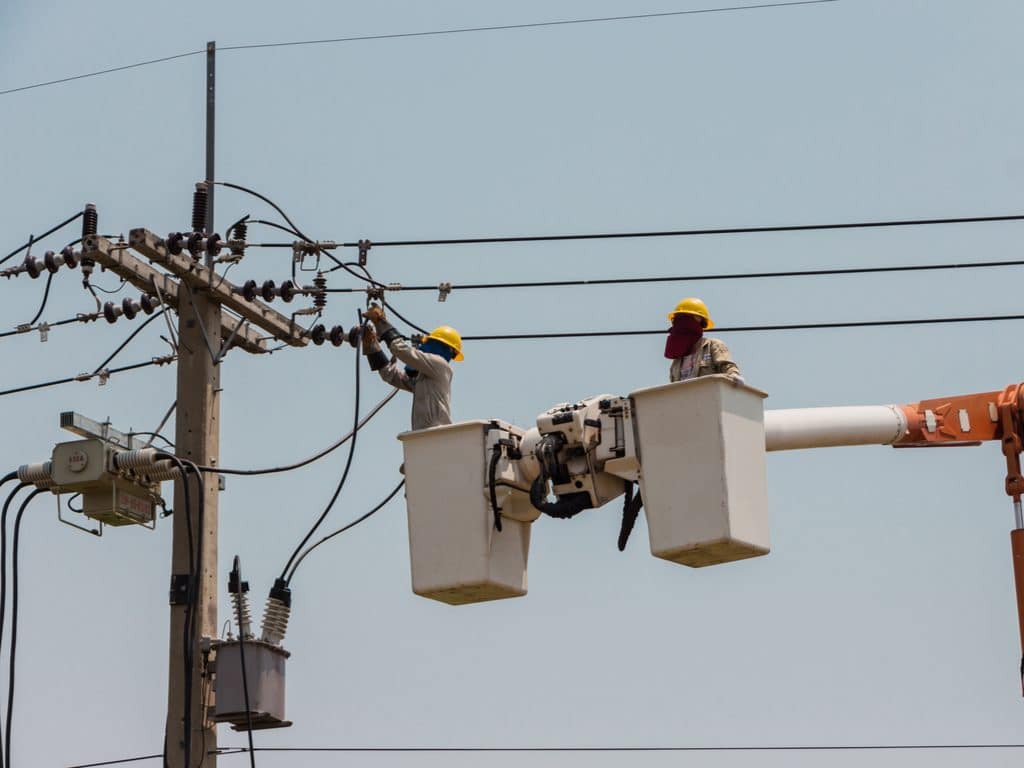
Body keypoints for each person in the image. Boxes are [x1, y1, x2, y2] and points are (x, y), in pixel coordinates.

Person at [361, 303, 464, 430]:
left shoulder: (440, 365)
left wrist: (381, 322)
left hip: (437, 433)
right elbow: (390, 375)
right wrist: (373, 348)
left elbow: (400, 349)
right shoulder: (425, 379)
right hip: (422, 435)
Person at [664, 297, 742, 383]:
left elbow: (729, 368)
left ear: (700, 322)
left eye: (686, 318)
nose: (681, 325)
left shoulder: (712, 346)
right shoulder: (677, 362)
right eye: (678, 319)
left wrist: (734, 376)